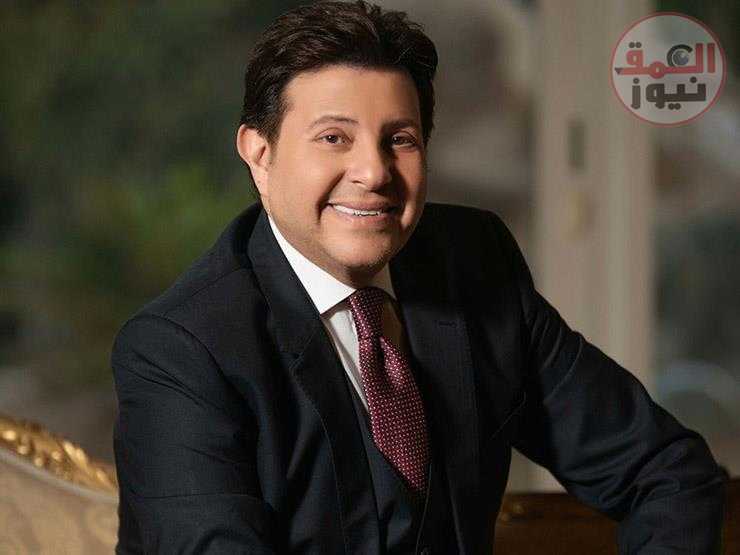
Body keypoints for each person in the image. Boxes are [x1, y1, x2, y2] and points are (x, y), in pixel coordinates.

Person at [111, 1, 725, 553]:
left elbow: (667, 473)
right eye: (334, 137)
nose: (374, 172)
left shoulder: (473, 262)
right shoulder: (180, 351)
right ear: (259, 154)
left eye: (399, 139)